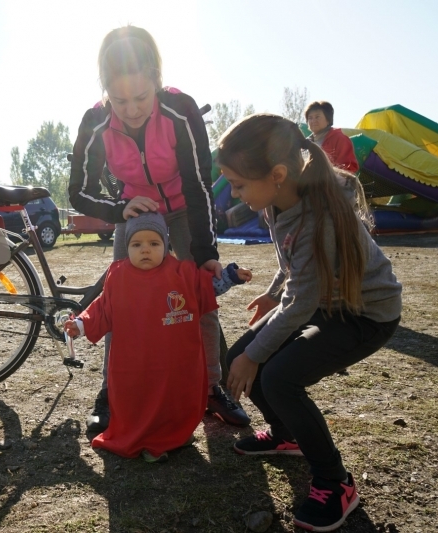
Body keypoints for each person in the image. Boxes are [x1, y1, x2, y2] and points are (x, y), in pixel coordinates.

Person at [217, 114, 402, 532]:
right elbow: (292, 261)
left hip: (365, 314)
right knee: (238, 356)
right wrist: (272, 292)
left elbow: (301, 301)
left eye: (239, 184)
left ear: (278, 175)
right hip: (322, 300)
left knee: (276, 376)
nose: (235, 193)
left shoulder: (320, 217)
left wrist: (257, 353)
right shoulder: (275, 201)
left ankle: (336, 482)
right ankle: (286, 434)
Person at [68, 25, 250, 432]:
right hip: (135, 216)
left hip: (184, 209)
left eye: (141, 97)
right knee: (118, 301)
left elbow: (199, 185)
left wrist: (206, 253)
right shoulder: (94, 123)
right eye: (119, 100)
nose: (131, 110)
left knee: (200, 297)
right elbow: (77, 192)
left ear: (156, 80)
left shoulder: (179, 109)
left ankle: (211, 388)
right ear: (104, 91)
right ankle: (111, 393)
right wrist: (120, 208)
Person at [64, 213, 251, 462]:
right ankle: (148, 441)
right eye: (136, 244)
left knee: (174, 399)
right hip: (136, 364)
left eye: (154, 243)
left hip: (174, 362)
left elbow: (206, 286)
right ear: (126, 246)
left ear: (165, 244)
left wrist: (230, 276)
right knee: (140, 401)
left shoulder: (182, 272)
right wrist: (80, 323)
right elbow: (102, 307)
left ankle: (174, 434)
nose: (145, 250)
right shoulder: (118, 275)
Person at [304, 101, 359, 174]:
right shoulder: (304, 144)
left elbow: (349, 168)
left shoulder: (340, 139)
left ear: (328, 120)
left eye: (317, 117)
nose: (313, 121)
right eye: (310, 118)